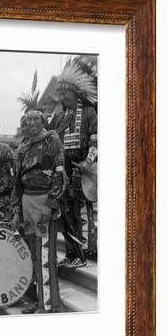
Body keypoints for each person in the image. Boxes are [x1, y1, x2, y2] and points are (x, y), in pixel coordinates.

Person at [10, 109, 66, 314]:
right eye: (28, 119)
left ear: (43, 120)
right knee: (33, 253)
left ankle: (49, 304)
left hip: (44, 203)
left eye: (36, 119)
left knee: (45, 254)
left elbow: (60, 175)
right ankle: (40, 299)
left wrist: (51, 205)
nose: (32, 122)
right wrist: (16, 211)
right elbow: (17, 183)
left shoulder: (52, 141)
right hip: (27, 204)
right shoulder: (23, 147)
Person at [51, 61, 98, 268]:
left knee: (76, 213)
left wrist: (88, 161)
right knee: (64, 213)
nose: (62, 98)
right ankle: (71, 253)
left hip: (82, 168)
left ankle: (81, 254)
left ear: (75, 93)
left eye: (65, 94)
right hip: (64, 170)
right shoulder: (61, 116)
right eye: (60, 95)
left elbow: (96, 138)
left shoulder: (88, 112)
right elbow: (53, 142)